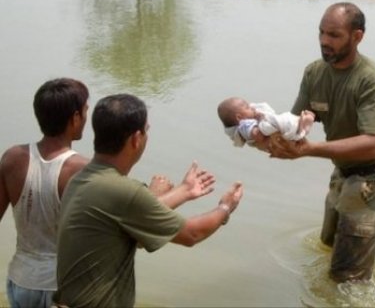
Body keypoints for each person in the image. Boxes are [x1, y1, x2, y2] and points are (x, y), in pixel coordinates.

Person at [54, 93, 244, 307]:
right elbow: (192, 233)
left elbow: (133, 229)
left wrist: (184, 190)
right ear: (136, 139)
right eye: (147, 130)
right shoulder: (122, 191)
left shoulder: (82, 179)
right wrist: (226, 207)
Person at [263, 2, 375, 283]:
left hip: (373, 180)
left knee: (345, 278)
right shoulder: (315, 73)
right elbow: (293, 124)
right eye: (321, 33)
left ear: (357, 36)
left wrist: (310, 150)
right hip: (342, 175)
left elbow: (374, 143)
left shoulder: (372, 81)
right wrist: (259, 130)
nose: (325, 41)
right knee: (327, 245)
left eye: (334, 35)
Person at [0, 78, 90, 308]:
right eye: (86, 109)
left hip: (21, 280)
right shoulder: (81, 169)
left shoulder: (13, 158)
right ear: (75, 117)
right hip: (60, 285)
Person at [217, 96, 315, 148]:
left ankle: (302, 126)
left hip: (277, 139)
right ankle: (302, 125)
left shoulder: (245, 123)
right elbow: (257, 135)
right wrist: (261, 119)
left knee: (288, 127)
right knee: (279, 122)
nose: (251, 107)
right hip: (272, 138)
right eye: (247, 108)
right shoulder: (245, 125)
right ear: (239, 117)